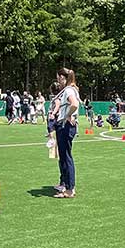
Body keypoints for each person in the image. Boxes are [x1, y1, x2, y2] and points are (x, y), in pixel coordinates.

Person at [53, 68, 80, 198]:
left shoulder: (69, 90)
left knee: (66, 157)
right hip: (65, 126)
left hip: (66, 126)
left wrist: (68, 115)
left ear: (63, 78)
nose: (58, 81)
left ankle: (70, 189)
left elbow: (74, 104)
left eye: (58, 78)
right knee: (64, 157)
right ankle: (66, 185)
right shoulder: (71, 89)